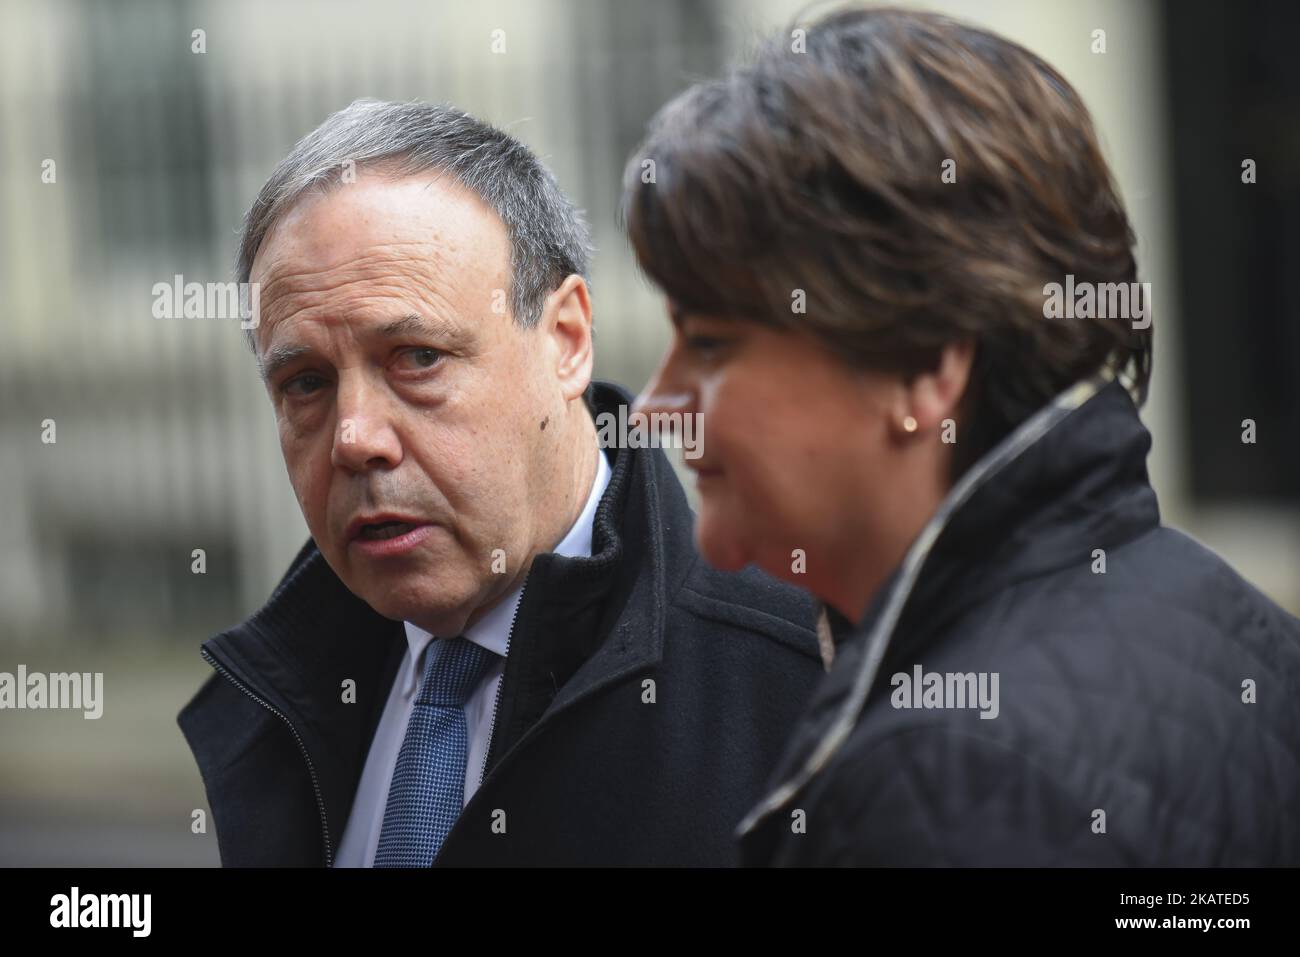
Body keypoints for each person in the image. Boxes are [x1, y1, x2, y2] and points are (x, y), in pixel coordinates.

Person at [624, 7, 1300, 865]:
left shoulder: (948, 775)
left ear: (921, 363)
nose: (653, 406)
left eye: (712, 342)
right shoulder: (1222, 620)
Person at [177, 99, 824, 867]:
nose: (354, 438)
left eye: (416, 357)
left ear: (566, 341)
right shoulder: (286, 692)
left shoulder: (802, 688)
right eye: (307, 383)